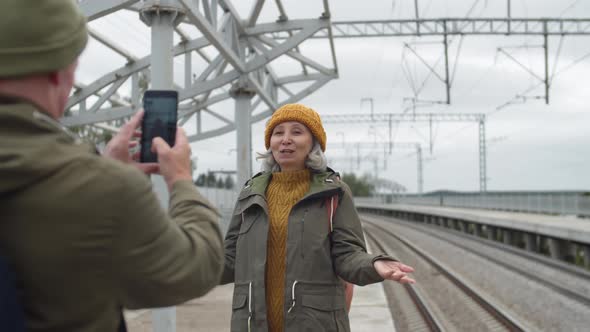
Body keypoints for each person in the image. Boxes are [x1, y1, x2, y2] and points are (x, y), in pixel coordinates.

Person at [0, 1, 224, 331]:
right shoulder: (103, 191)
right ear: (58, 71)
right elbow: (197, 268)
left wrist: (100, 168)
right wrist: (181, 178)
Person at [220, 103, 415, 332]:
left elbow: (347, 255)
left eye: (297, 131)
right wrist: (181, 259)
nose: (285, 139)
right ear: (270, 142)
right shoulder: (250, 193)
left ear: (313, 143)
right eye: (278, 132)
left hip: (313, 325)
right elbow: (229, 259)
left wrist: (374, 264)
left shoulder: (334, 193)